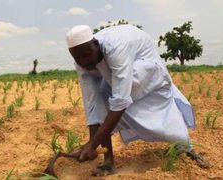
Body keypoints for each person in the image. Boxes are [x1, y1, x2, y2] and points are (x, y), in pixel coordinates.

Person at [65, 24, 209, 176]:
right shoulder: (81, 62)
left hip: (145, 69)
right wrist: (91, 142)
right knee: (103, 94)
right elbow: (91, 102)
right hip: (118, 78)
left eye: (87, 55)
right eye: (78, 58)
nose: (84, 61)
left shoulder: (116, 48)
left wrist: (92, 144)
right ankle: (108, 161)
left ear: (96, 44)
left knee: (127, 98)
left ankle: (186, 147)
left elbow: (120, 101)